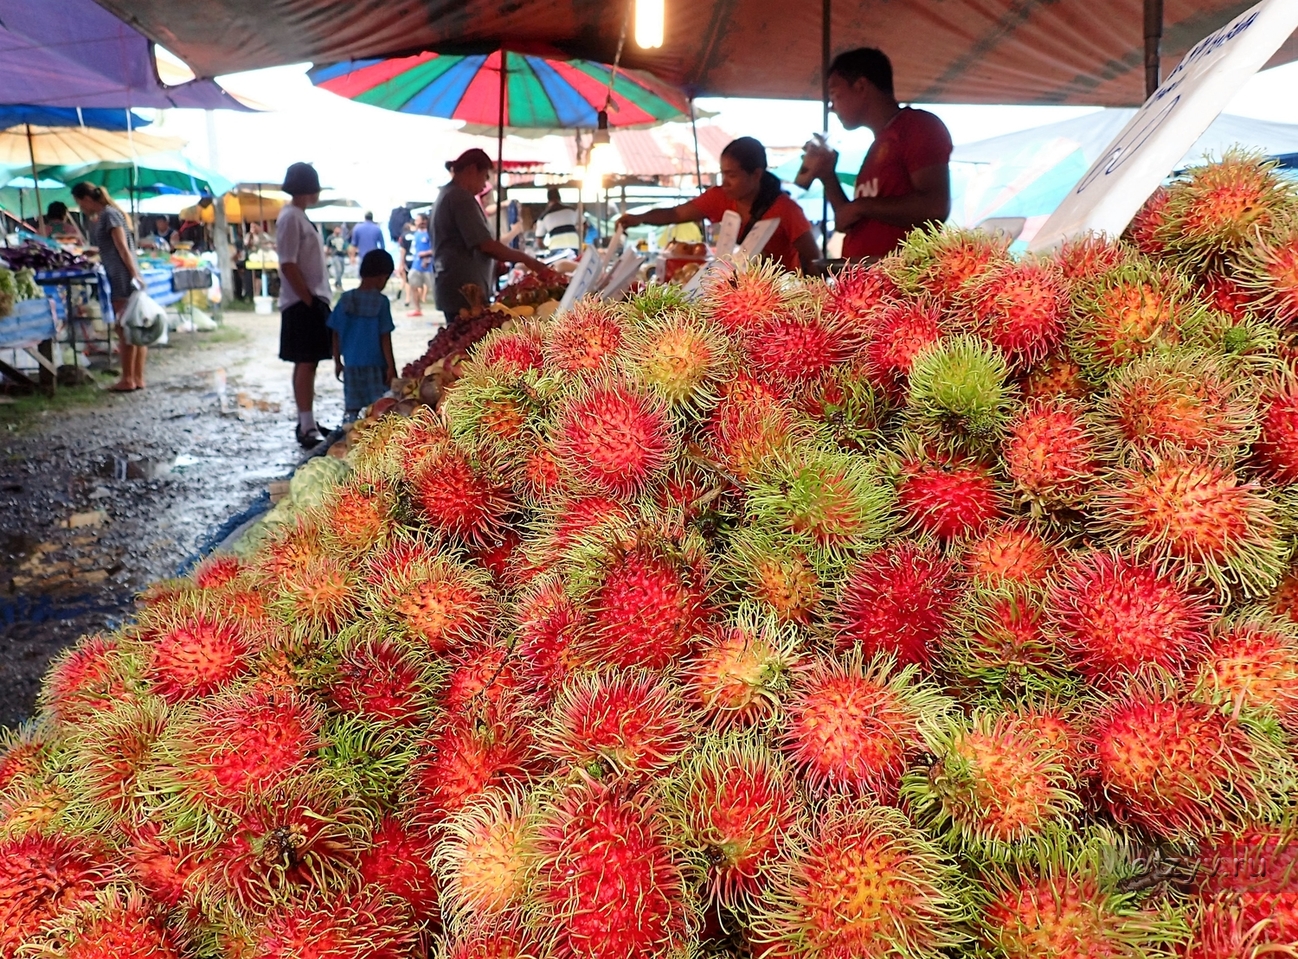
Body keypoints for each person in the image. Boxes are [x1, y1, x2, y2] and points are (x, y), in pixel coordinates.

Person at [801, 47, 953, 261]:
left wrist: (863, 206)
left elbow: (935, 207)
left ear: (861, 86)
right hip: (864, 283)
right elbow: (847, 220)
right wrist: (828, 176)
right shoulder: (878, 145)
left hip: (901, 285)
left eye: (835, 94)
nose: (831, 107)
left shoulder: (918, 126)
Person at [618, 137, 818, 273]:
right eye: (723, 173)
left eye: (732, 175)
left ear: (756, 174)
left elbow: (812, 257)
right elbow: (676, 214)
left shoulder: (786, 209)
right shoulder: (720, 197)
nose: (725, 182)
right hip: (744, 287)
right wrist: (641, 218)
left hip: (779, 291)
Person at [432, 149, 557, 324]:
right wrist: (529, 261)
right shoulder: (460, 197)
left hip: (453, 287)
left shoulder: (447, 194)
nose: (484, 186)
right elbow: (486, 245)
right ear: (472, 169)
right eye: (484, 177)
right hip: (464, 292)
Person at [275, 162, 334, 449]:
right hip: (301, 301)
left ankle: (308, 421)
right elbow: (288, 264)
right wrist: (308, 299)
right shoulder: (290, 217)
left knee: (310, 363)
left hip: (309, 298)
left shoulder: (298, 216)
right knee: (305, 362)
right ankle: (306, 423)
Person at [71, 183, 147, 393]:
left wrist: (134, 274)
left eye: (79, 203)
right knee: (135, 326)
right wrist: (95, 251)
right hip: (124, 274)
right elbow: (115, 246)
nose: (81, 208)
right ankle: (137, 378)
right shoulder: (111, 214)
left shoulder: (109, 215)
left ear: (87, 199)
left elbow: (122, 247)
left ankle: (128, 378)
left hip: (122, 276)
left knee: (124, 328)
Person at [329, 249, 397, 422]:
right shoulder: (381, 302)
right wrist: (391, 367)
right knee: (378, 411)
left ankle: (350, 437)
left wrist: (337, 361)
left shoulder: (345, 300)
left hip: (351, 367)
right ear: (381, 277)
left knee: (353, 410)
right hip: (376, 366)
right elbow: (385, 337)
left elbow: (335, 333)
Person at [406, 213, 432, 317]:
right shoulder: (416, 234)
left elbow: (436, 248)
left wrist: (426, 255)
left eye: (417, 220)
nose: (415, 222)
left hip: (428, 266)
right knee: (413, 285)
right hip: (416, 264)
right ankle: (417, 308)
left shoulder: (430, 234)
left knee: (432, 287)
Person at [326, 225, 348, 291]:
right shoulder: (330, 238)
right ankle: (339, 285)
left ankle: (336, 282)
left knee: (342, 270)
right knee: (338, 270)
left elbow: (345, 246)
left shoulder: (342, 238)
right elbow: (328, 247)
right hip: (335, 255)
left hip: (342, 255)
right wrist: (327, 256)